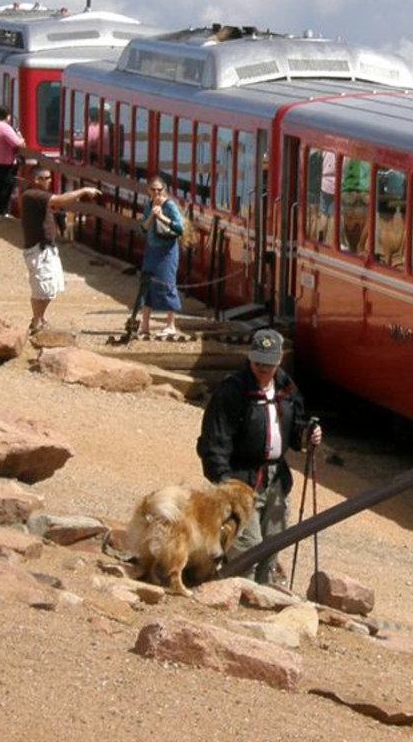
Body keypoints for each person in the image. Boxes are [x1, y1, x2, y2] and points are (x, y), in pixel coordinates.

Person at [196, 329, 323, 588]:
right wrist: (224, 481)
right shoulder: (232, 391)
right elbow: (214, 441)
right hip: (240, 479)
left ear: (279, 360)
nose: (263, 369)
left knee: (274, 541)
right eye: (258, 362)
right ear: (250, 359)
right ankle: (238, 595)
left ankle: (263, 596)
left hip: (276, 478)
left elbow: (295, 429)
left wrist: (308, 434)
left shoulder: (286, 388)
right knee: (247, 545)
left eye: (269, 363)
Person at [18, 163, 100, 334]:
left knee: (52, 286)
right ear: (35, 180)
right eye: (44, 178)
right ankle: (37, 322)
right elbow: (60, 200)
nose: (48, 181)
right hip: (38, 249)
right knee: (42, 287)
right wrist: (83, 190)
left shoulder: (38, 195)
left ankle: (38, 319)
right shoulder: (32, 194)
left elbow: (57, 204)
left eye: (49, 178)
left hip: (47, 247)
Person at [137, 176, 186, 339]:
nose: (157, 193)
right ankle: (145, 324)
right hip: (152, 249)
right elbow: (143, 228)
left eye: (160, 190)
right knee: (147, 284)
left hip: (167, 250)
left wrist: (161, 217)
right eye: (153, 190)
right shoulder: (149, 205)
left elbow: (179, 228)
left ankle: (170, 324)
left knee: (167, 284)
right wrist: (152, 215)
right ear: (148, 190)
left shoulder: (170, 205)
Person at [0, 105, 25, 219]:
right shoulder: (6, 128)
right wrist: (21, 138)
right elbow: (17, 143)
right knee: (5, 187)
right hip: (3, 162)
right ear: (8, 116)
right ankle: (1, 212)